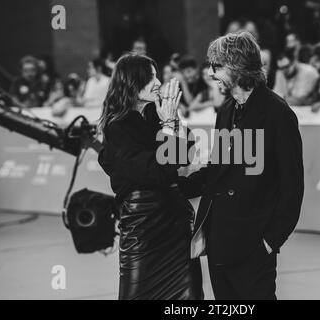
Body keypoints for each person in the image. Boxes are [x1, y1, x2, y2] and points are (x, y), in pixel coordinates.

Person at [179, 31, 304, 300]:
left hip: (253, 244)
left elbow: (292, 187)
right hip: (220, 240)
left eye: (217, 66)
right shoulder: (225, 111)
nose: (211, 74)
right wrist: (173, 186)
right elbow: (218, 170)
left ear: (237, 65)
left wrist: (269, 242)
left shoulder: (278, 114)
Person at [97, 53, 202, 300]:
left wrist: (173, 120)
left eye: (157, 76)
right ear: (132, 83)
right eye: (150, 78)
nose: (158, 83)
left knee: (189, 299)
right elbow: (157, 171)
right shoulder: (117, 127)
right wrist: (168, 127)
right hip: (142, 230)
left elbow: (185, 153)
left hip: (175, 226)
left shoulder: (157, 114)